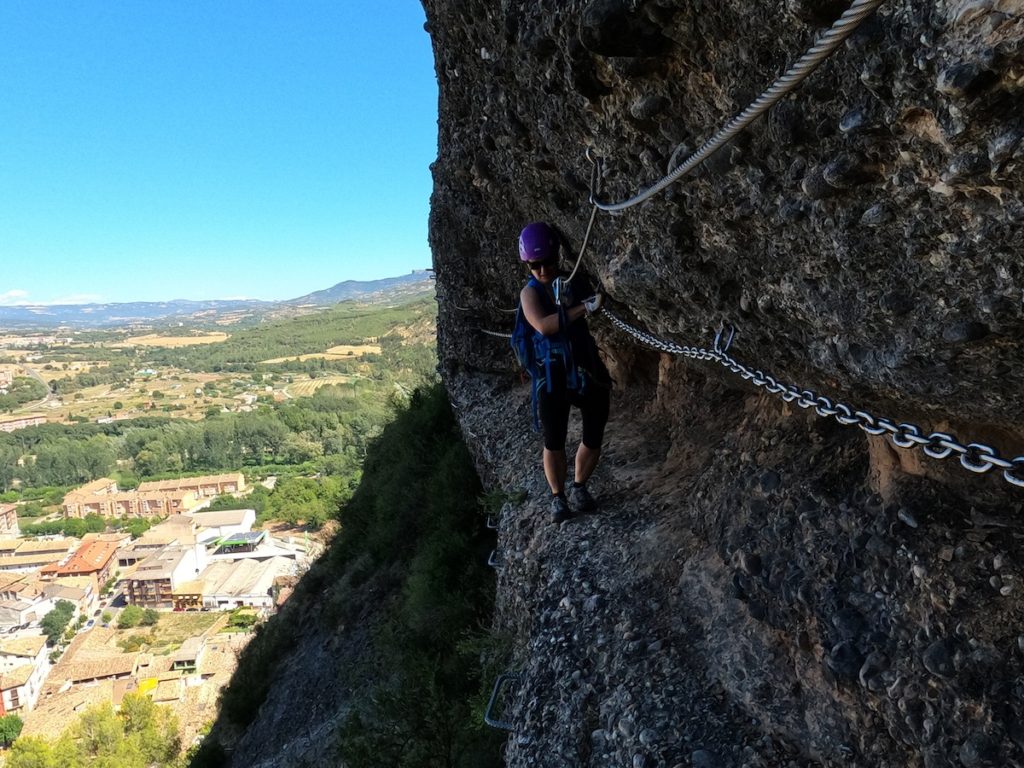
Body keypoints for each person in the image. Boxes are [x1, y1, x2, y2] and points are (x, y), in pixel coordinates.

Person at [517, 221, 611, 524]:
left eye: (547, 262)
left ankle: (580, 487)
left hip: (583, 368)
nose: (543, 270)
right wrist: (584, 308)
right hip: (552, 375)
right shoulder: (529, 294)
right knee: (553, 439)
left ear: (557, 257)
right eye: (535, 264)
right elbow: (543, 326)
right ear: (528, 264)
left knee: (594, 432)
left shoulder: (573, 281)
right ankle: (558, 497)